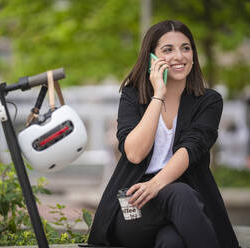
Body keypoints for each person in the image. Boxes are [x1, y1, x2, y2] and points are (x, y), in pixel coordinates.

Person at [86, 20, 240, 248]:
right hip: (135, 206)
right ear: (151, 58)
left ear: (194, 55)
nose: (179, 56)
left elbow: (192, 147)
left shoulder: (209, 101)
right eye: (168, 49)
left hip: (186, 203)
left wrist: (157, 183)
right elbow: (135, 153)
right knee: (179, 194)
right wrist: (158, 94)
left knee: (172, 240)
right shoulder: (132, 96)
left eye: (185, 48)